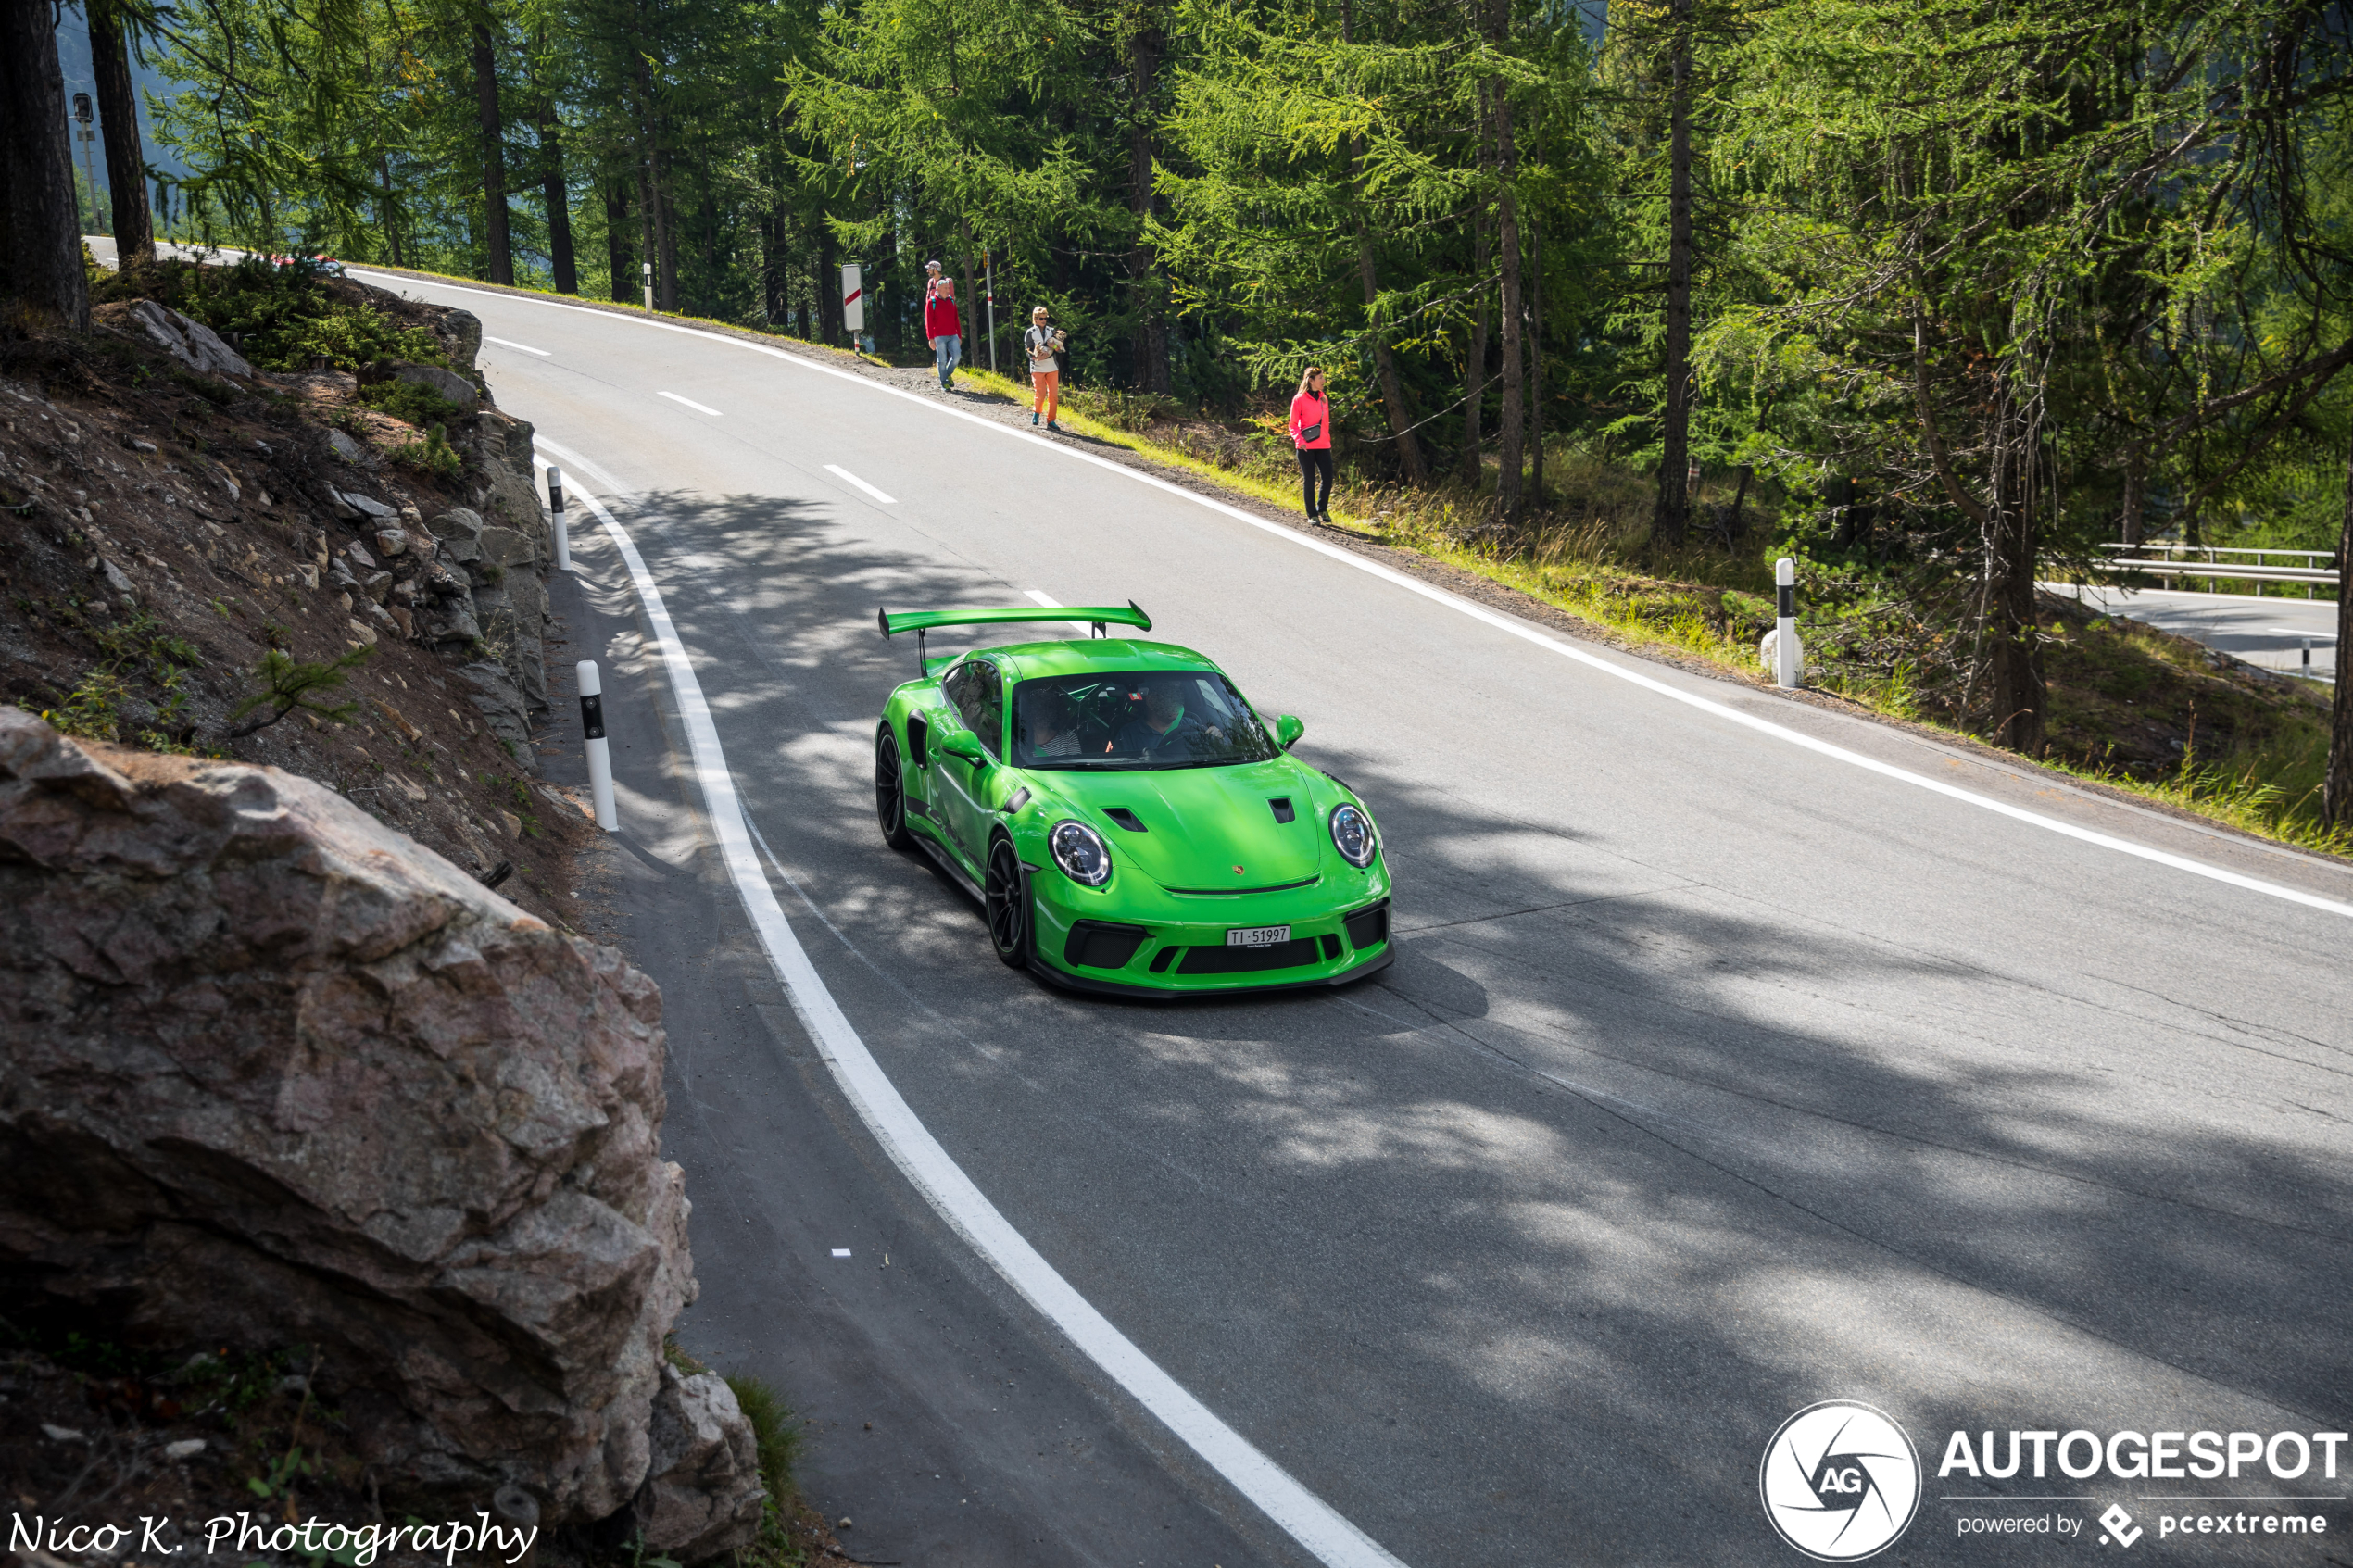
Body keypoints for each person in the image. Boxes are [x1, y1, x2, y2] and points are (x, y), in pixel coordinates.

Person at [1112, 678, 1206, 757]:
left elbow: (1207, 749)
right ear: (1151, 701)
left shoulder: (1189, 724)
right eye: (1167, 697)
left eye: (1176, 696)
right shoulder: (1129, 734)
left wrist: (1214, 736)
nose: (1174, 701)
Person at [1290, 365, 1334, 523]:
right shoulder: (1299, 399)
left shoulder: (1323, 398)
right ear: (1311, 380)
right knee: (1310, 479)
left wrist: (1328, 440)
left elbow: (1326, 423)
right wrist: (1299, 441)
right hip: (1305, 447)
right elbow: (1293, 424)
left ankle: (1322, 509)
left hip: (1323, 445)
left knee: (1328, 477)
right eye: (1320, 378)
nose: (1324, 380)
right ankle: (1312, 514)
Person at [923, 262, 962, 391]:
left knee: (956, 356)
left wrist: (958, 334)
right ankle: (944, 381)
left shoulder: (947, 282)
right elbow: (928, 299)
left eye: (930, 269)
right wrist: (931, 336)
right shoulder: (930, 283)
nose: (928, 271)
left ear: (936, 269)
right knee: (942, 358)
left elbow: (952, 302)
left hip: (950, 328)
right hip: (937, 328)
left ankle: (946, 375)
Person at [1025, 306, 1063, 430]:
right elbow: (1027, 350)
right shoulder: (1030, 332)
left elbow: (1059, 348)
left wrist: (1057, 347)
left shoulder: (1051, 331)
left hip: (1052, 367)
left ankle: (1051, 420)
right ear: (1035, 319)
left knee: (1053, 395)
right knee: (1040, 393)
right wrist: (1035, 357)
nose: (1044, 320)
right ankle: (1036, 414)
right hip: (1037, 368)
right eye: (1041, 318)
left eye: (1045, 318)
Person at [1023, 687, 1081, 759]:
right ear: (1029, 713)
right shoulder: (1020, 741)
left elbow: (1075, 767)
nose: (1042, 713)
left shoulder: (1068, 738)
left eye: (1047, 709)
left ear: (1056, 712)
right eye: (1037, 709)